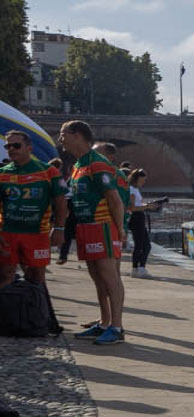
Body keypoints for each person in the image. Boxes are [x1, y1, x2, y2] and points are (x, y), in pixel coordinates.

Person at [59, 121, 127, 344]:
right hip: (86, 226)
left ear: (77, 135)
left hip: (103, 225)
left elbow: (115, 201)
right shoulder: (78, 165)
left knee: (110, 277)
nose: (60, 140)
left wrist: (120, 230)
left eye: (63, 135)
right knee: (98, 279)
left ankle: (116, 328)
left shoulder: (98, 164)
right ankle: (104, 323)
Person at [0, 129, 69, 288]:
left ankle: (36, 310)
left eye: (16, 146)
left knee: (36, 277)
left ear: (29, 148)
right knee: (5, 275)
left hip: (37, 234)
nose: (11, 149)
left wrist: (59, 228)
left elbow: (60, 201)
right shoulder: (2, 173)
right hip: (7, 233)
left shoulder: (48, 171)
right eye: (8, 146)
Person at [125, 169, 161, 278]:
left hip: (137, 218)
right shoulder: (132, 190)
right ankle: (139, 269)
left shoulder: (134, 189)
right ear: (136, 179)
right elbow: (131, 207)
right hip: (136, 218)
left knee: (141, 245)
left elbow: (136, 204)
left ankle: (137, 269)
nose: (144, 182)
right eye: (142, 180)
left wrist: (147, 205)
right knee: (144, 245)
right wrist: (147, 207)